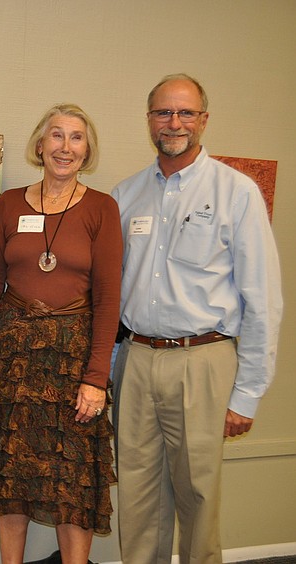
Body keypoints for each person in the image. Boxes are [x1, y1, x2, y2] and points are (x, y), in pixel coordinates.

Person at [111, 74, 283, 564]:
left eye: (186, 113)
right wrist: (107, 367)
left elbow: (263, 300)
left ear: (204, 119)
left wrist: (247, 394)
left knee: (199, 496)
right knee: (138, 499)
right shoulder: (126, 196)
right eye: (164, 112)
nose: (175, 123)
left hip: (204, 361)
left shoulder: (236, 192)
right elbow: (112, 291)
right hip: (137, 360)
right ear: (149, 121)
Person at [0, 104, 121, 564]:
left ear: (86, 150)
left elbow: (109, 299)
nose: (65, 147)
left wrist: (96, 378)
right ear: (40, 144)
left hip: (73, 359)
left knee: (72, 479)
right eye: (56, 136)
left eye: (76, 137)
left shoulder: (101, 208)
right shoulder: (11, 203)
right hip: (11, 356)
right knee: (12, 471)